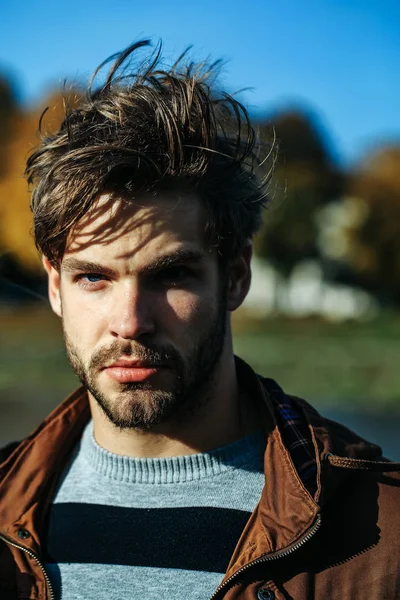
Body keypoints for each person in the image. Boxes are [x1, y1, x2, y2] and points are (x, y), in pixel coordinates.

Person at [0, 40, 399, 600]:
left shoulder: (380, 535)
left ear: (235, 277)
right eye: (94, 277)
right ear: (54, 286)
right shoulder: (4, 515)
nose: (131, 322)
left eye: (170, 276)